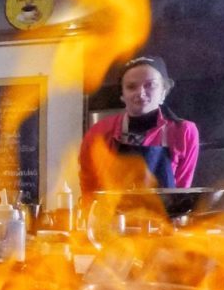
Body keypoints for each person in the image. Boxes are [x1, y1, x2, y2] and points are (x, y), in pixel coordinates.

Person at [78, 55, 199, 209]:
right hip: (113, 226)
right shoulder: (99, 132)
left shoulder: (184, 132)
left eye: (150, 85)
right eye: (131, 86)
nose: (140, 93)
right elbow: (89, 188)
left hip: (163, 227)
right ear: (122, 95)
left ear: (163, 92)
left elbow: (181, 193)